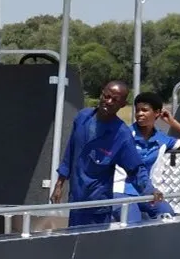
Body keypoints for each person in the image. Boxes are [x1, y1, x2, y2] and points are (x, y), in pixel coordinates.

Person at [52, 80, 163, 228]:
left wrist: (150, 190)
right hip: (76, 199)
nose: (108, 102)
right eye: (106, 96)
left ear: (122, 104)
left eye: (115, 100)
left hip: (98, 204)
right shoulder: (82, 117)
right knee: (74, 241)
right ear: (101, 94)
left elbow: (135, 169)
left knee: (95, 247)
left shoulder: (122, 134)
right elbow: (70, 152)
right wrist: (59, 185)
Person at [119, 91, 180, 220]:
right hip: (122, 191)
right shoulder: (125, 134)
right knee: (133, 219)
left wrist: (172, 122)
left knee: (167, 214)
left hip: (146, 193)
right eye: (137, 110)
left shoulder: (162, 139)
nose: (139, 114)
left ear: (157, 113)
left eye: (145, 110)